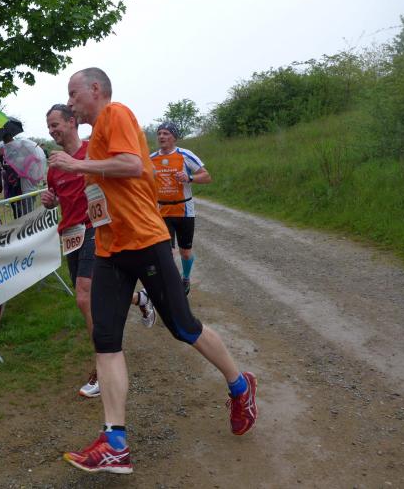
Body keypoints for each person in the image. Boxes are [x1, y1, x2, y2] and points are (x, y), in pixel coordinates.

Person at [51, 68, 257, 475]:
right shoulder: (94, 141)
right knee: (105, 339)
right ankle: (115, 442)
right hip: (109, 249)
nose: (70, 102)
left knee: (183, 327)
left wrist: (77, 166)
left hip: (145, 240)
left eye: (74, 93)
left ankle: (240, 384)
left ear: (96, 89)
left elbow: (131, 164)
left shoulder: (116, 114)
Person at [42, 104, 156, 400]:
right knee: (94, 296)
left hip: (95, 228)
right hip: (70, 233)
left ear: (72, 122)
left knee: (84, 295)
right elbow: (59, 195)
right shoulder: (55, 165)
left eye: (56, 124)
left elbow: (117, 174)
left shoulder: (92, 151)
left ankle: (102, 368)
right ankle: (139, 299)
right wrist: (51, 200)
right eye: (49, 126)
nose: (52, 131)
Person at [150, 121, 211, 295]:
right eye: (159, 133)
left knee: (185, 253)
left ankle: (186, 277)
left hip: (184, 211)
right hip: (162, 212)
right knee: (166, 252)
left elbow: (207, 176)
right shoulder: (151, 159)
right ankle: (172, 283)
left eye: (166, 133)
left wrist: (189, 178)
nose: (161, 136)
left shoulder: (185, 155)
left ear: (174, 137)